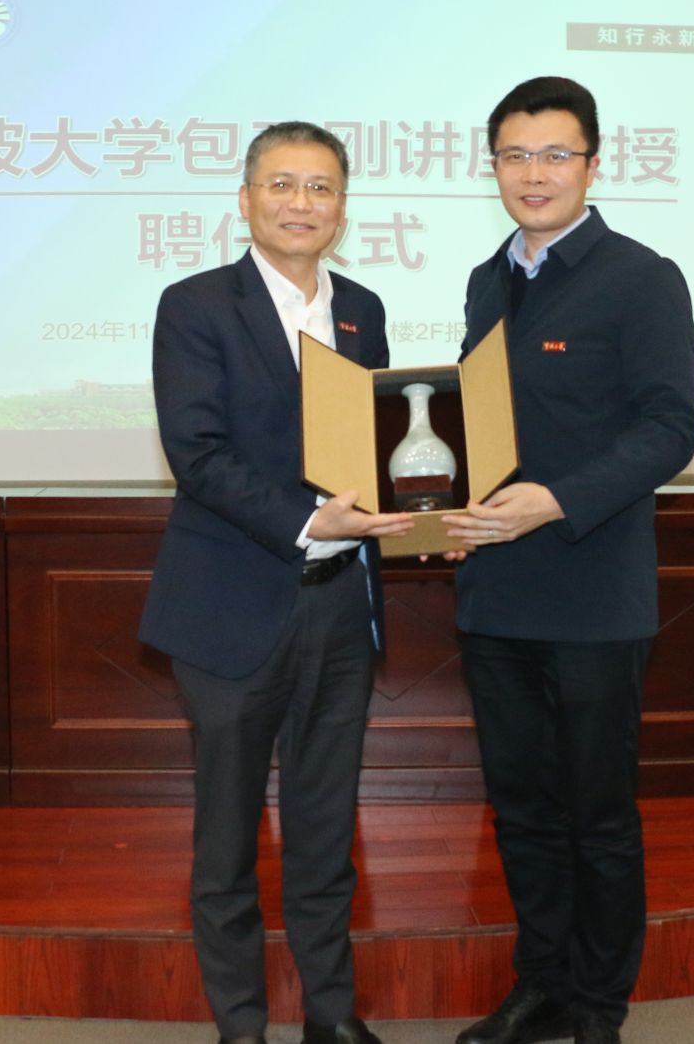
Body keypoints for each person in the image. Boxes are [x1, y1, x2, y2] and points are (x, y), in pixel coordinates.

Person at [139, 121, 413, 1044]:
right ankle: (242, 1027)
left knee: (326, 830)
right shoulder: (195, 305)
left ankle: (332, 1017)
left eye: (321, 187)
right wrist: (306, 521)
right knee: (226, 839)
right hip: (229, 607)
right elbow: (197, 453)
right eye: (282, 184)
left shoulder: (361, 309)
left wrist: (416, 512)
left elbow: (371, 446)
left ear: (343, 206)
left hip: (340, 606)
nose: (302, 203)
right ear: (246, 198)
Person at [442, 77, 694, 1044]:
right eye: (515, 155)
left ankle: (598, 1003)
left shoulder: (642, 277)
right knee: (521, 808)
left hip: (594, 591)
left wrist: (556, 498)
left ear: (594, 163)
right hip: (495, 587)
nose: (534, 173)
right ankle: (542, 982)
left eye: (555, 154)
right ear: (493, 166)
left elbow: (670, 427)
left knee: (597, 811)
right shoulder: (487, 280)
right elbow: (477, 423)